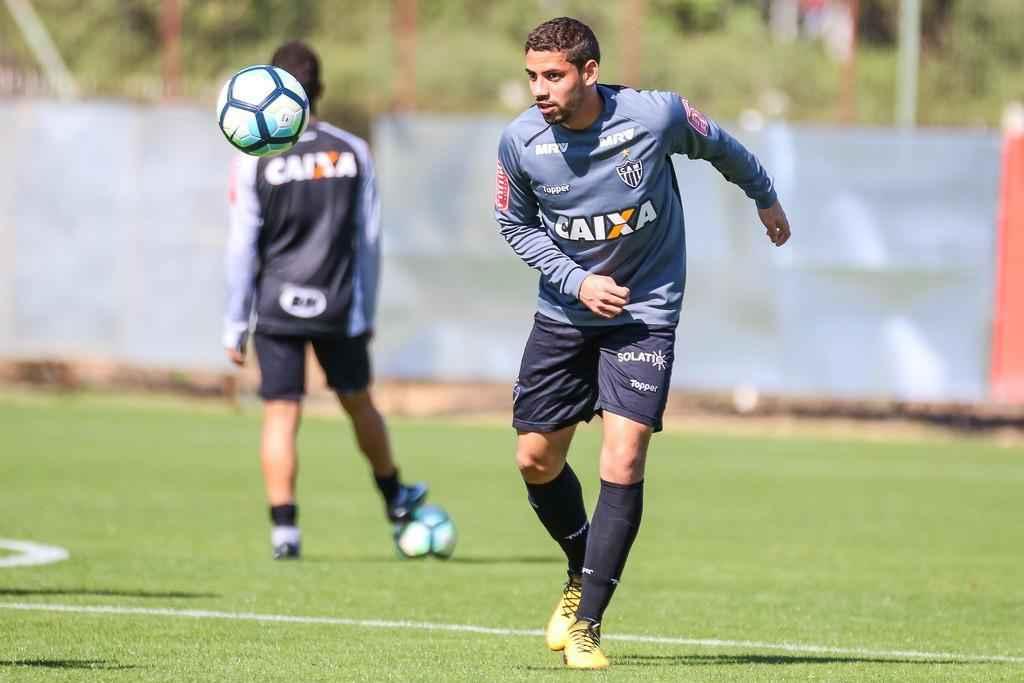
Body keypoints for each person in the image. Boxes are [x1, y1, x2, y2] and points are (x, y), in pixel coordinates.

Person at [494, 17, 791, 669]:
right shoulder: (520, 142)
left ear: (589, 72)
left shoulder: (654, 118)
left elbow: (725, 150)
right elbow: (513, 224)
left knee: (623, 459)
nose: (540, 90)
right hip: (566, 313)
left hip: (645, 311)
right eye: (532, 77)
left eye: (553, 75)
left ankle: (588, 626)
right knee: (534, 459)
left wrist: (764, 196)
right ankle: (582, 567)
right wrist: (576, 279)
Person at [223, 40, 426, 560]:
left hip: (275, 308)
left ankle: (284, 533)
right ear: (320, 89)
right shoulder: (352, 151)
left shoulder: (254, 158)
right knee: (359, 404)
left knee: (280, 415)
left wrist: (234, 323)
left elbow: (242, 244)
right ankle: (395, 501)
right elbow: (371, 239)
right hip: (339, 306)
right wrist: (367, 309)